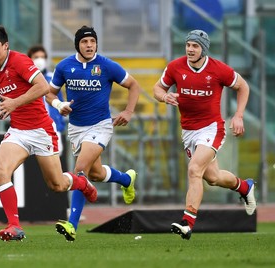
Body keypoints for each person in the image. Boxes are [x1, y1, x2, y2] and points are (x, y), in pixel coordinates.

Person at [0, 25, 97, 242]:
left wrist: (14, 103)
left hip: (42, 129)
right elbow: (3, 106)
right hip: (18, 131)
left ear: (5, 46)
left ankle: (81, 183)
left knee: (57, 185)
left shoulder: (20, 61)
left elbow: (43, 87)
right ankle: (14, 226)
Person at [153, 29, 257, 240]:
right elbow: (157, 88)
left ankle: (187, 222)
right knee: (213, 177)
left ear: (204, 49)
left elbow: (243, 86)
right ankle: (245, 187)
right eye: (188, 45)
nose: (190, 49)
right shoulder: (175, 66)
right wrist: (164, 97)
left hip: (212, 128)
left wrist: (238, 116)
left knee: (194, 170)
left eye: (195, 46)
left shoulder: (218, 69)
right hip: (189, 131)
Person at [46, 25, 140, 242]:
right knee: (95, 174)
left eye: (92, 42)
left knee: (80, 171)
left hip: (100, 126)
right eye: (85, 42)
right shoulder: (64, 66)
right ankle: (126, 179)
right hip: (76, 128)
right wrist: (59, 104)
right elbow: (50, 93)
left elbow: (133, 85)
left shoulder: (107, 66)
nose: (89, 45)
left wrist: (128, 111)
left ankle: (72, 225)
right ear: (77, 45)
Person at [27, 45, 66, 156]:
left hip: (53, 130)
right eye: (36, 57)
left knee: (54, 164)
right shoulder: (25, 80)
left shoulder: (53, 78)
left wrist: (59, 126)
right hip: (32, 129)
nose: (40, 60)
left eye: (42, 57)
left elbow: (60, 101)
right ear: (30, 59)